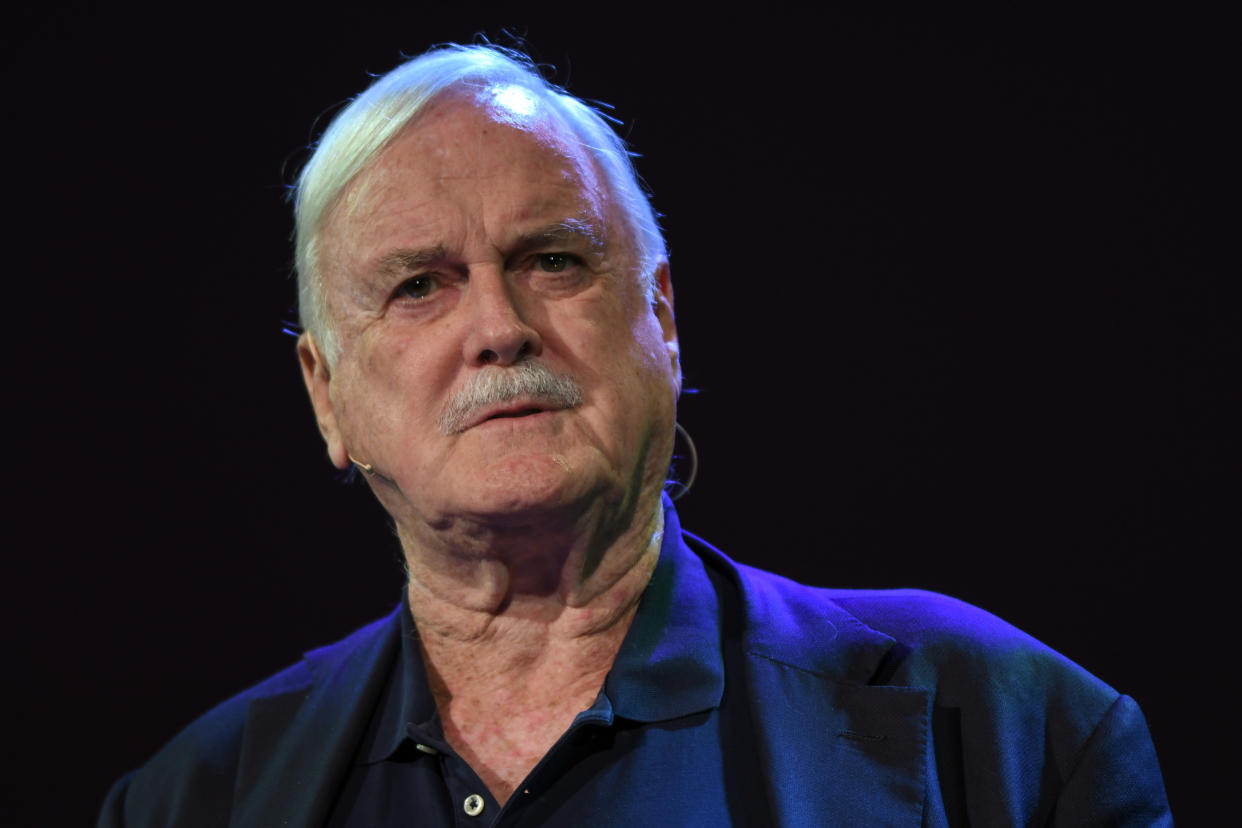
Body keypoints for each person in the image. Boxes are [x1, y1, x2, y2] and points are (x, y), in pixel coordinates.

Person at [98, 44, 1171, 826]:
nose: (499, 326)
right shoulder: (189, 801)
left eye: (554, 261)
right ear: (324, 395)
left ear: (659, 316)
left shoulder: (1006, 734)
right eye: (420, 285)